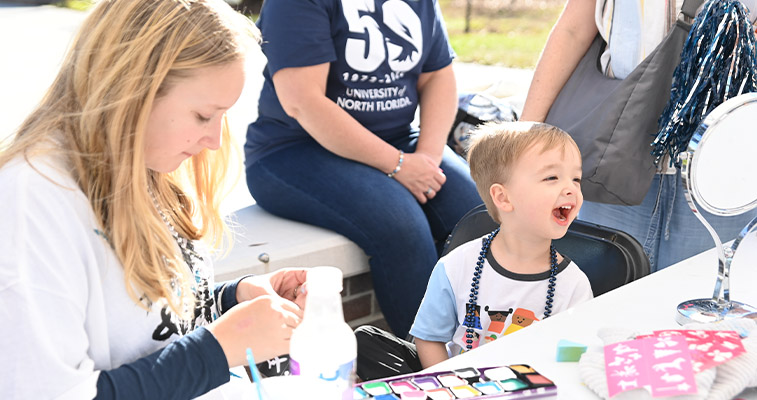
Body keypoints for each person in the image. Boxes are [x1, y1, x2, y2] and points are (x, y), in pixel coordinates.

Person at [0, 1, 308, 398]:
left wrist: (233, 301)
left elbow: (151, 327)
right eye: (202, 116)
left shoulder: (145, 165)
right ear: (133, 89)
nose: (214, 141)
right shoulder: (33, 202)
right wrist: (220, 348)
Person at [244, 0, 483, 338]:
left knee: (478, 214)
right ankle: (426, 361)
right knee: (401, 225)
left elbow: (438, 76)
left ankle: (485, 342)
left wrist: (427, 158)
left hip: (401, 140)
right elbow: (303, 101)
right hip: (295, 151)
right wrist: (398, 165)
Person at [520, 0, 757, 272]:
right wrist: (527, 136)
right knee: (597, 297)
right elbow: (573, 30)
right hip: (612, 156)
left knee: (708, 299)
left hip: (724, 161)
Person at [355, 122, 594, 380]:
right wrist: (449, 385)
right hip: (457, 384)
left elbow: (573, 361)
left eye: (576, 178)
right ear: (503, 198)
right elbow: (428, 338)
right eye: (552, 178)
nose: (571, 188)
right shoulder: (457, 265)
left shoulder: (573, 286)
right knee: (365, 341)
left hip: (532, 390)